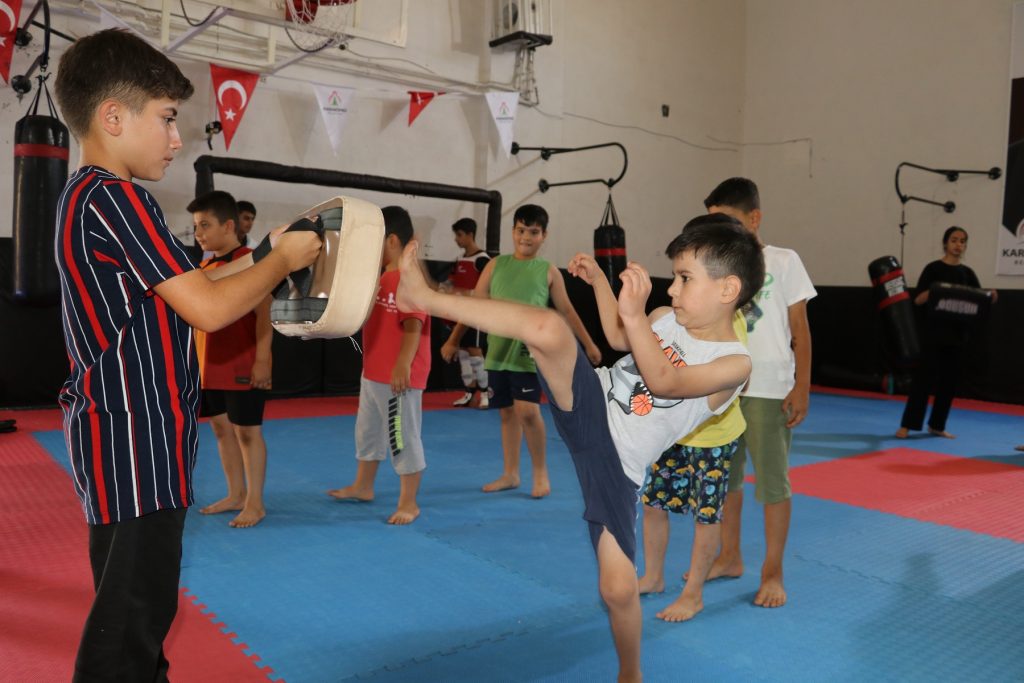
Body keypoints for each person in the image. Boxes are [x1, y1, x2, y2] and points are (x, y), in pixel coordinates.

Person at [53, 29, 321, 681]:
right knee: (128, 621)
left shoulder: (91, 199)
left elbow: (198, 288)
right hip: (132, 437)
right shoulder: (116, 198)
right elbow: (209, 308)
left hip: (139, 437)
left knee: (141, 611)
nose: (178, 139)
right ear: (112, 117)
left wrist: (263, 256)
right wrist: (282, 260)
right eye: (168, 119)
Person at [396, 215, 762, 683]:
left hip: (619, 465)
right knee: (549, 328)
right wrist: (602, 288)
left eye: (685, 279)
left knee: (616, 589)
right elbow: (614, 337)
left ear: (728, 289)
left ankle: (631, 672)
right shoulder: (667, 318)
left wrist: (634, 314)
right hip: (591, 405)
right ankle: (424, 297)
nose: (672, 291)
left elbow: (665, 380)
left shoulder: (733, 364)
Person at [702, 177, 816, 609]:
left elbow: (800, 332)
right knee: (725, 481)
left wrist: (801, 386)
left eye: (728, 222)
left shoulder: (784, 262)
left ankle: (773, 571)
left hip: (770, 390)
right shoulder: (718, 267)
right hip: (725, 389)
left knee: (771, 483)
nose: (721, 233)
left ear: (754, 218)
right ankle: (730, 556)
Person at [444, 205, 602, 498]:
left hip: (527, 352)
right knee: (506, 413)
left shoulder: (548, 271)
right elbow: (473, 306)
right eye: (520, 230)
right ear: (513, 231)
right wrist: (454, 340)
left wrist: (588, 344)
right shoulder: (496, 265)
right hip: (497, 351)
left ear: (544, 236)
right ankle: (510, 473)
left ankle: (541, 473)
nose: (526, 237)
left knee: (527, 412)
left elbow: (566, 310)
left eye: (533, 232)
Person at [636, 307, 747, 622]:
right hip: (674, 432)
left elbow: (736, 378)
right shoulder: (676, 317)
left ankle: (693, 594)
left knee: (706, 514)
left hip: (714, 437)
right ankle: (653, 576)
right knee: (654, 504)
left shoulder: (732, 322)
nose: (677, 290)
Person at [327, 206, 430, 525]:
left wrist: (403, 365)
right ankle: (363, 485)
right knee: (368, 432)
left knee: (401, 437)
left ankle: (409, 502)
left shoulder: (409, 278)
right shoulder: (383, 276)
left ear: (392, 240)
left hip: (400, 376)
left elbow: (413, 325)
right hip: (373, 371)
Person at [189, 191, 272, 529]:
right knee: (222, 430)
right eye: (195, 226)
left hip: (241, 360)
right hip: (209, 364)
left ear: (228, 225)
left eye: (205, 225)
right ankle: (236, 494)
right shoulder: (205, 265)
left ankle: (255, 502)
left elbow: (265, 312)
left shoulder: (250, 261)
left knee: (247, 433)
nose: (199, 233)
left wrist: (263, 359)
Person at [896, 226, 998, 440]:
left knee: (948, 384)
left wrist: (990, 297)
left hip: (957, 336)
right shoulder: (933, 269)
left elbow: (978, 300)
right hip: (933, 335)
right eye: (954, 240)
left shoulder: (967, 274)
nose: (958, 245)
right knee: (922, 382)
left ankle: (937, 425)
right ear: (945, 243)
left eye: (962, 241)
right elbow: (917, 299)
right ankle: (908, 424)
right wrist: (935, 290)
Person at [440, 217, 492, 409]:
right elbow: (451, 282)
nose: (456, 239)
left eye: (459, 235)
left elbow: (489, 289)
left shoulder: (483, 260)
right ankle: (469, 394)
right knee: (462, 353)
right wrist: (443, 289)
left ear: (470, 235)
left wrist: (470, 295)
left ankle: (486, 394)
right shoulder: (460, 260)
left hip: (476, 314)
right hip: (459, 314)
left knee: (475, 352)